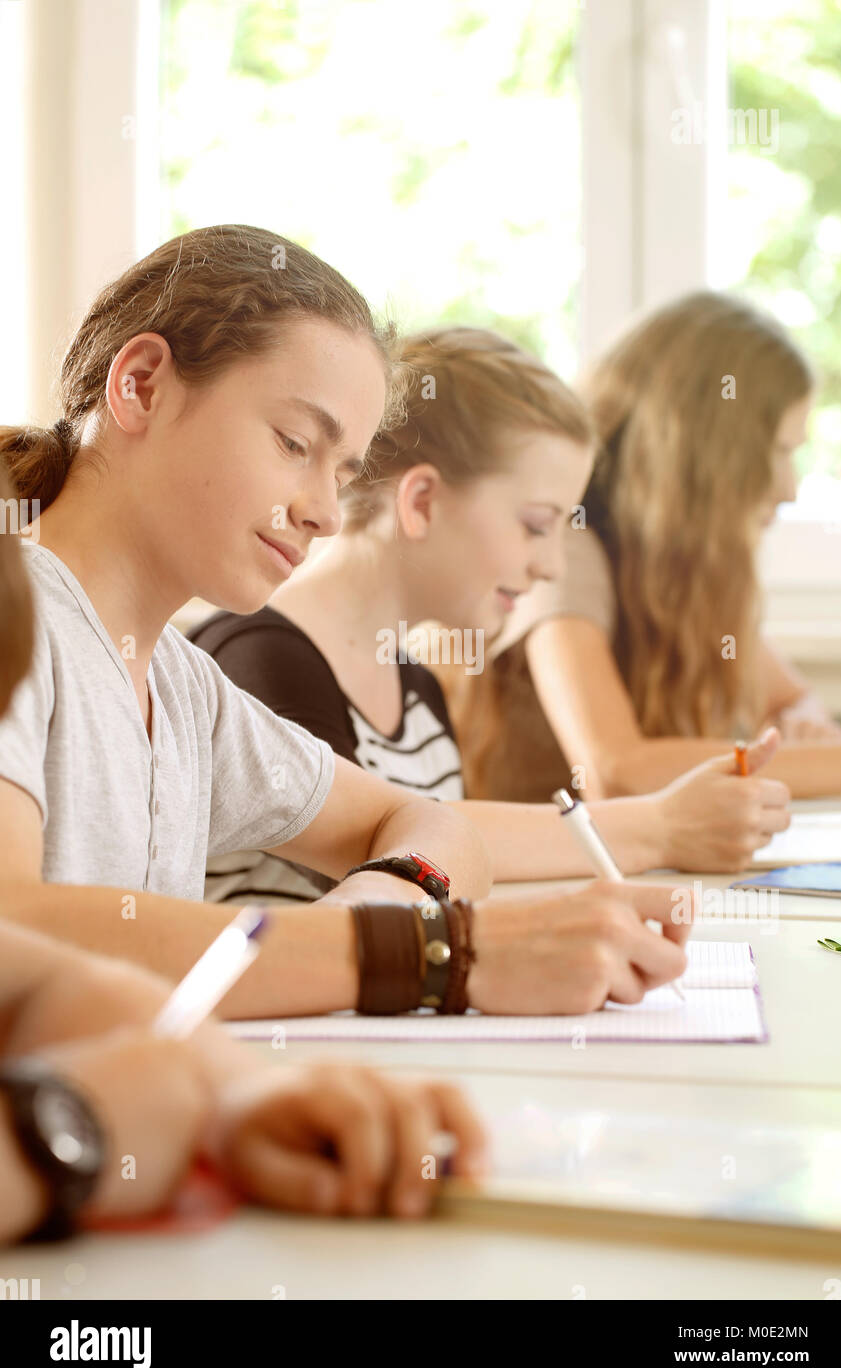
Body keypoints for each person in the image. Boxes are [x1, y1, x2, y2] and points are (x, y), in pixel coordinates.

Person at [0, 226, 688, 1019]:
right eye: (295, 442)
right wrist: (426, 957)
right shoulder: (19, 619)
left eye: (343, 472)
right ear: (143, 385)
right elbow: (13, 935)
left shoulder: (187, 692)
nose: (325, 513)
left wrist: (359, 928)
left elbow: (428, 821)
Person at [0, 460, 486, 1238]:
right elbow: (22, 921)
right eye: (295, 442)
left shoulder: (179, 677)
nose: (325, 512)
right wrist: (65, 1130)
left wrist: (237, 1095)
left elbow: (42, 977)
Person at [190, 325, 789, 902]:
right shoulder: (259, 660)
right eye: (535, 526)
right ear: (421, 502)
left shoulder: (417, 687)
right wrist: (657, 825)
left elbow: (451, 883)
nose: (552, 566)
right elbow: (385, 856)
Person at [464, 292, 841, 803]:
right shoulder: (566, 548)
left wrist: (801, 722)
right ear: (700, 454)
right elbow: (616, 771)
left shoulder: (686, 573)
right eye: (777, 452)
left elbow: (794, 697)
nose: (790, 489)